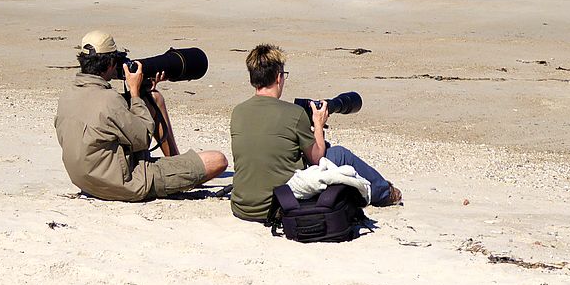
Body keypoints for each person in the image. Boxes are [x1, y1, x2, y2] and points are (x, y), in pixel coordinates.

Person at [230, 43, 402, 222]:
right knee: (339, 154)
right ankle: (385, 193)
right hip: (279, 205)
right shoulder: (293, 114)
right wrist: (318, 124)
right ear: (279, 77)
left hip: (242, 206)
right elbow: (317, 157)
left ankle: (383, 190)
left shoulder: (238, 111)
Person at [54, 30, 227, 201]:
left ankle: (175, 161)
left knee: (154, 98)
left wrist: (144, 92)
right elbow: (143, 137)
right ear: (111, 64)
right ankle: (181, 173)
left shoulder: (68, 95)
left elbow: (103, 126)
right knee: (217, 160)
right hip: (122, 184)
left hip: (86, 179)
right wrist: (135, 93)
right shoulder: (110, 101)